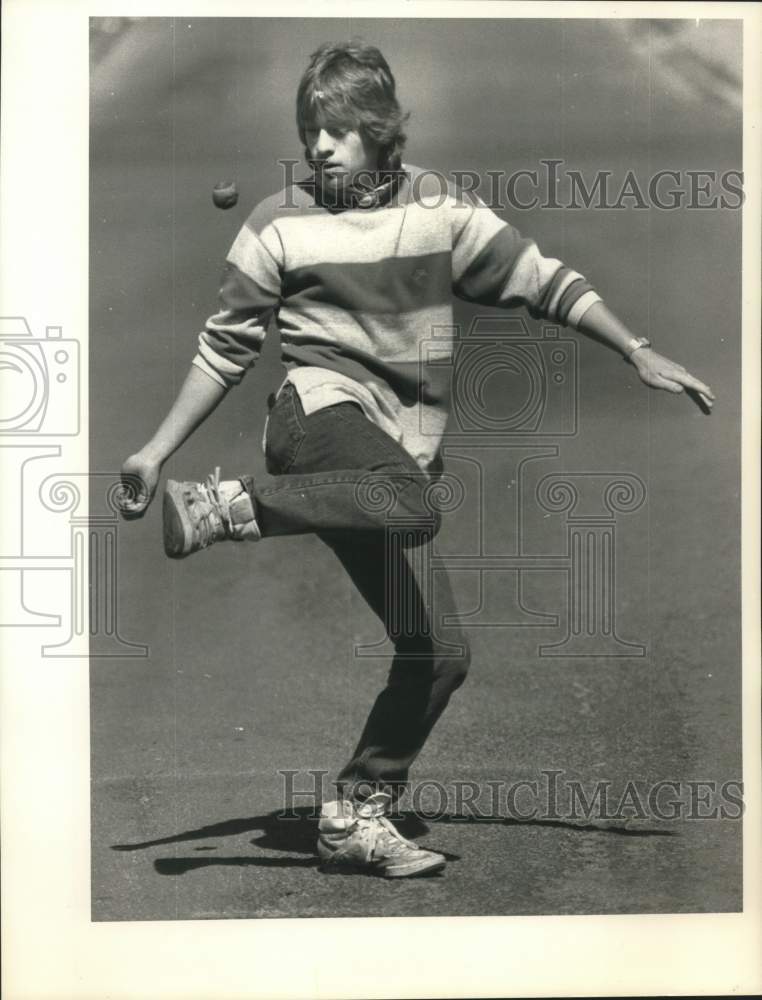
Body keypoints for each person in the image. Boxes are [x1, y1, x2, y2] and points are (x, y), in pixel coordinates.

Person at [119, 40, 715, 879]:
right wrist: (154, 452)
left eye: (337, 130)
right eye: (309, 129)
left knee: (439, 651)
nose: (319, 146)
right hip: (313, 423)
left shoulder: (438, 210)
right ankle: (229, 508)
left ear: (379, 132)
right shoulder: (275, 223)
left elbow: (540, 277)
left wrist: (635, 349)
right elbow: (224, 351)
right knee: (412, 497)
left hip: (386, 468)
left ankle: (355, 815)